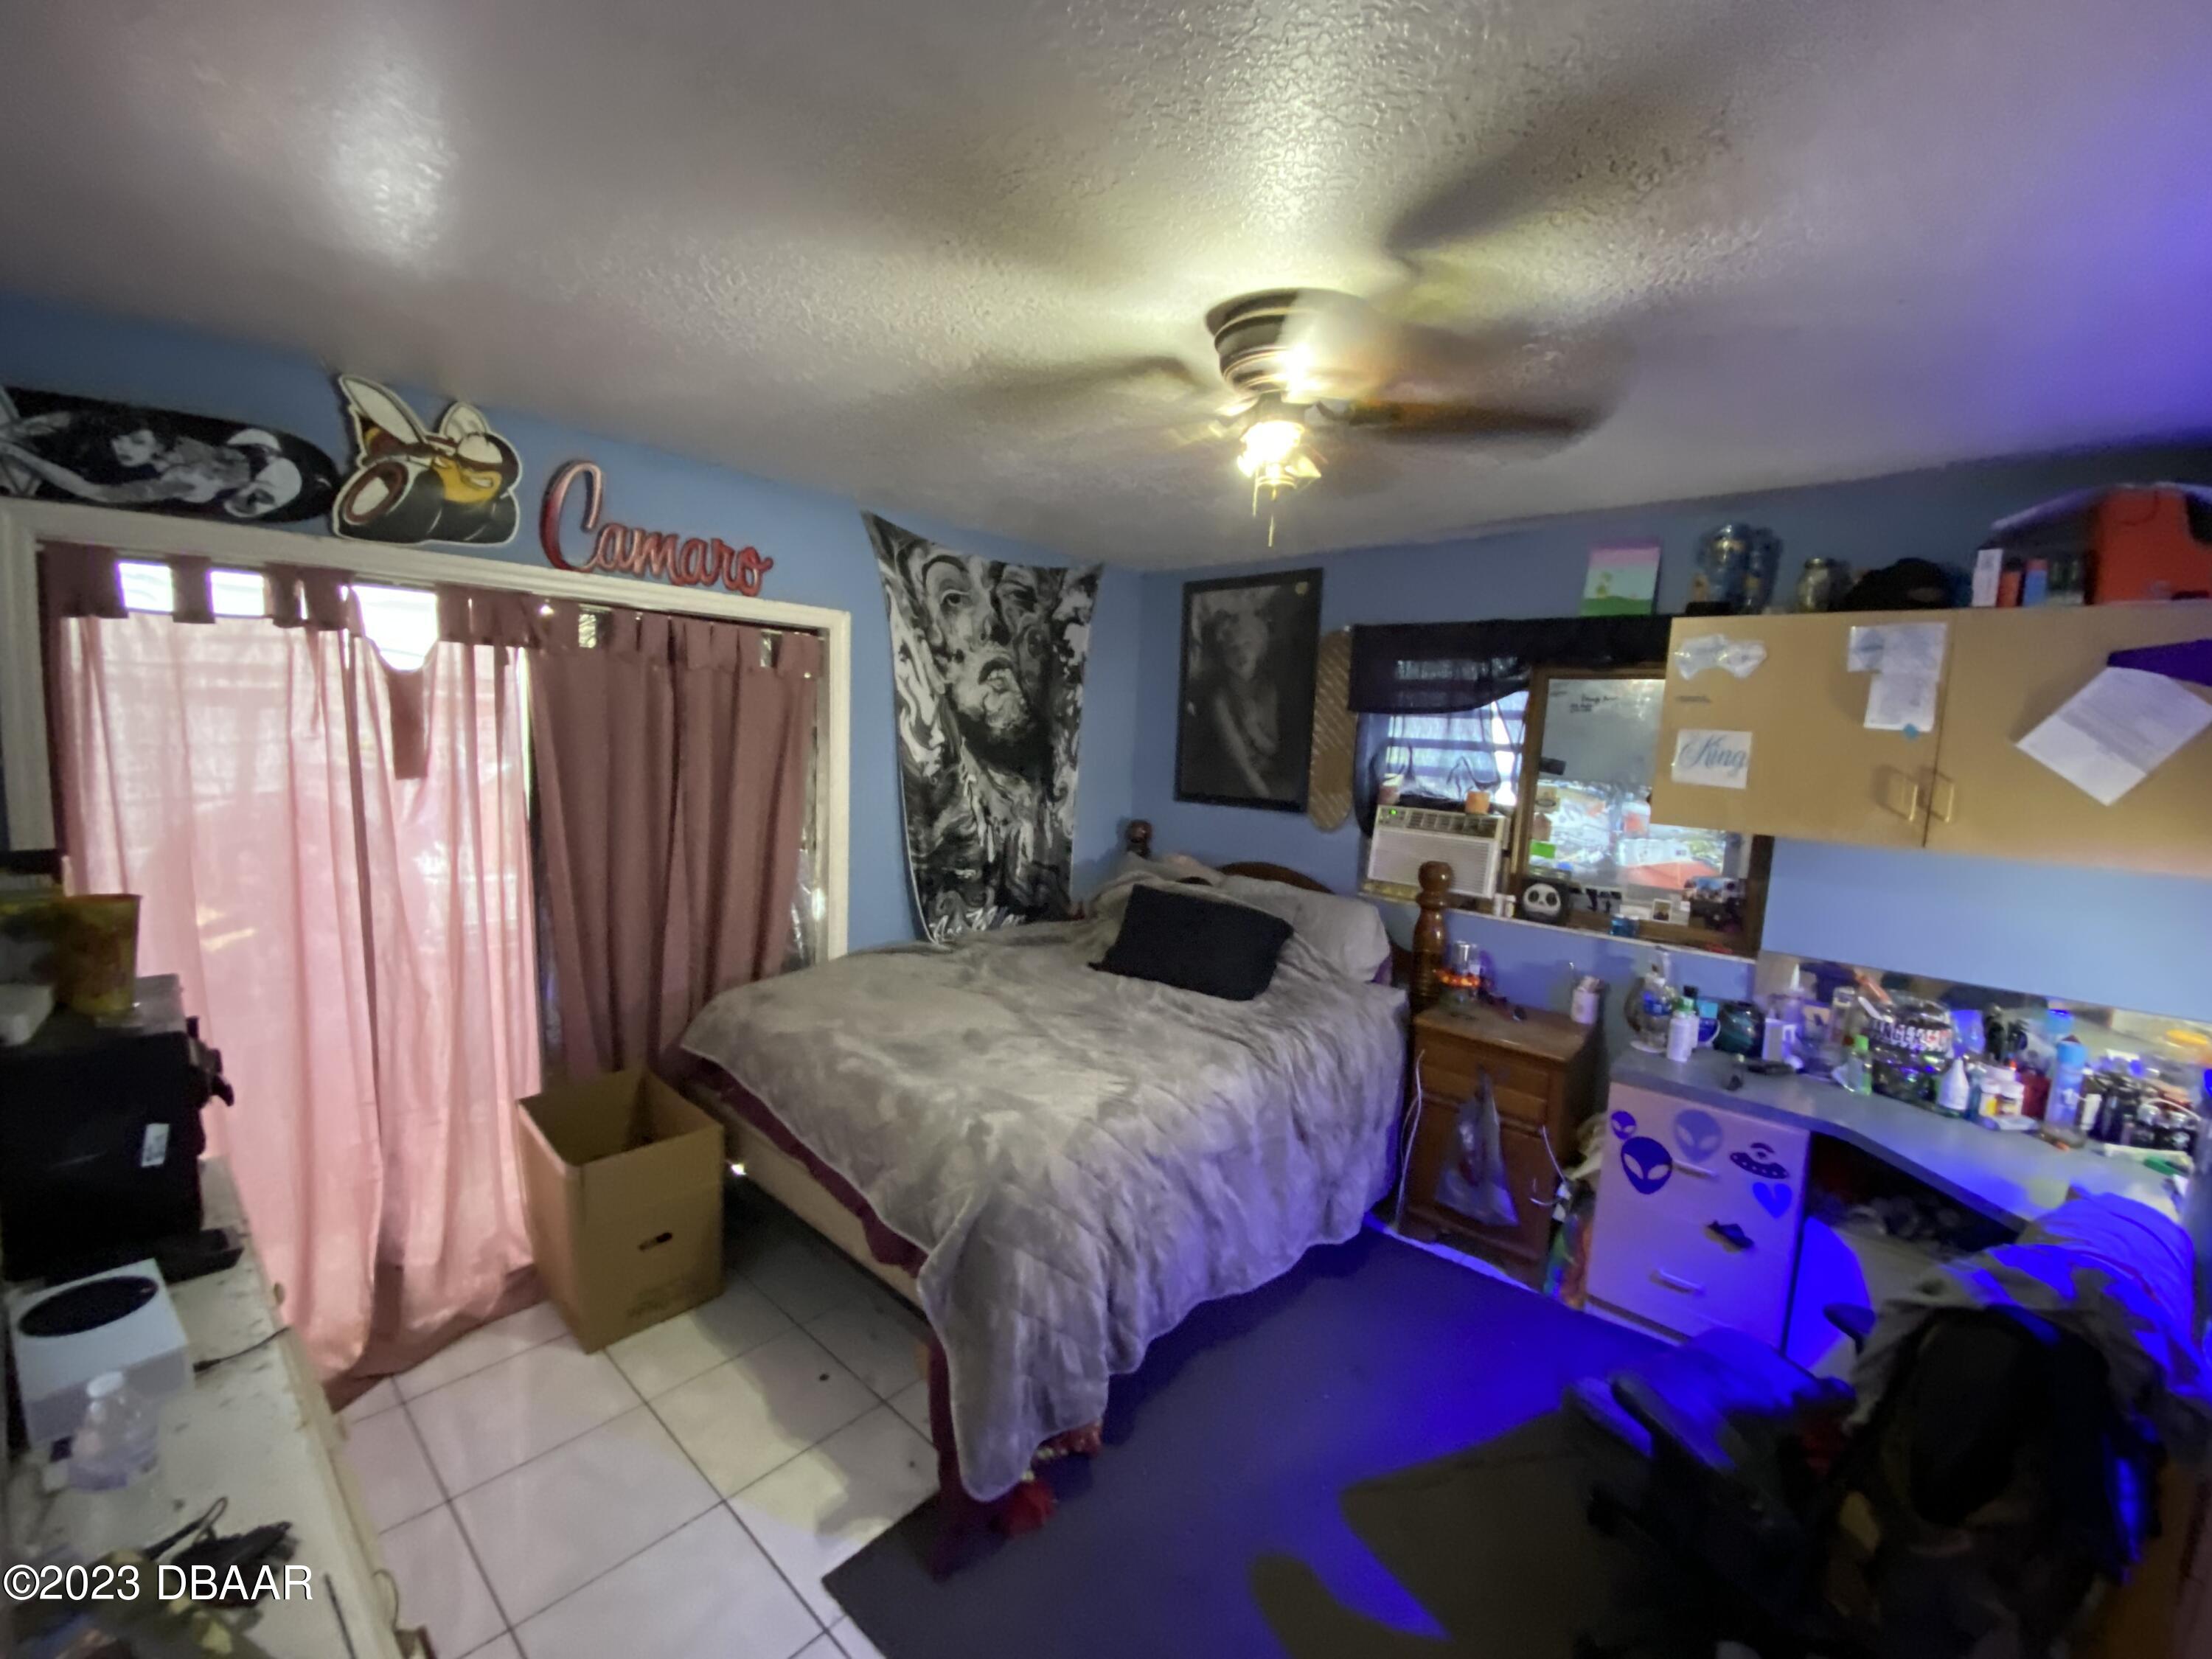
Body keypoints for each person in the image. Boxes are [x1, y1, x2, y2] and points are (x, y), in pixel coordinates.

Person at [0, 414, 302, 519]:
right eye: (232, 456)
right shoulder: (191, 446)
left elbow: (98, 493)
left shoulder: (188, 484)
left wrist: (17, 454)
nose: (224, 463)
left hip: (57, 467)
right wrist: (16, 431)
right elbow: (83, 419)